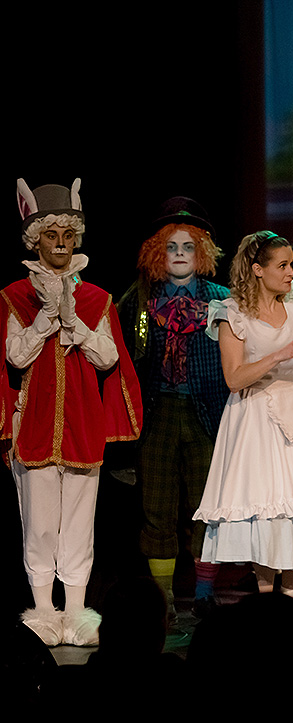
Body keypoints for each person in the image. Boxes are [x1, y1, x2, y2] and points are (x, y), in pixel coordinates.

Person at [4, 179, 142, 647]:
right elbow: (16, 357)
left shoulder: (97, 299)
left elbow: (108, 358)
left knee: (80, 523)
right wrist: (46, 318)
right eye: (51, 234)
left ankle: (78, 610)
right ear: (36, 239)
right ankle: (44, 611)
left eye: (67, 234)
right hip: (35, 422)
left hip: (82, 422)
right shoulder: (15, 297)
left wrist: (73, 322)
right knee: (40, 522)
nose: (61, 243)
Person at [193, 231, 293, 598]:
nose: (290, 272)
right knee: (266, 511)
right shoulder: (233, 312)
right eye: (282, 266)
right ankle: (267, 601)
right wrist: (279, 354)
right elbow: (234, 378)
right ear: (257, 269)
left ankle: (290, 599)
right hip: (255, 416)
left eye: (290, 265)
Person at [117, 197, 231, 617]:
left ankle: (203, 593)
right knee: (158, 506)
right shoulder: (138, 300)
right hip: (157, 413)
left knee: (206, 505)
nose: (180, 254)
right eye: (171, 247)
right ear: (156, 251)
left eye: (188, 247)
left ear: (202, 252)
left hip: (207, 414)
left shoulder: (222, 300)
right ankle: (163, 598)